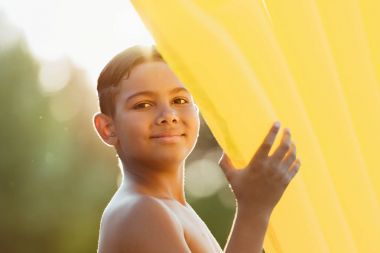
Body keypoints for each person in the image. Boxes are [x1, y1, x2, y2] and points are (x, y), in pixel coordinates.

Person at [93, 45, 301, 253]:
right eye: (143, 105)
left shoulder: (174, 209)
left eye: (179, 100)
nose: (169, 115)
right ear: (107, 128)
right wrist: (254, 209)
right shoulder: (140, 212)